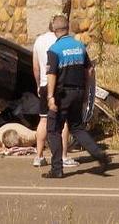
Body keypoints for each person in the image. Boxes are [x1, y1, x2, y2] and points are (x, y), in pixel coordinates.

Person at [43, 14, 110, 178]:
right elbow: (89, 70)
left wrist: (50, 96)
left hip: (61, 94)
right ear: (67, 29)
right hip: (78, 92)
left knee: (53, 130)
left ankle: (57, 169)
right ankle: (100, 155)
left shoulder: (54, 50)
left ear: (55, 31)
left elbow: (51, 74)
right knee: (77, 128)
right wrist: (87, 92)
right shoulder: (79, 46)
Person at [32, 19, 79, 168]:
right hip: (58, 86)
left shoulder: (39, 40)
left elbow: (35, 67)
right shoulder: (59, 41)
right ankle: (63, 156)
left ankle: (38, 156)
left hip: (44, 84)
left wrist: (38, 85)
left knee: (43, 120)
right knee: (62, 122)